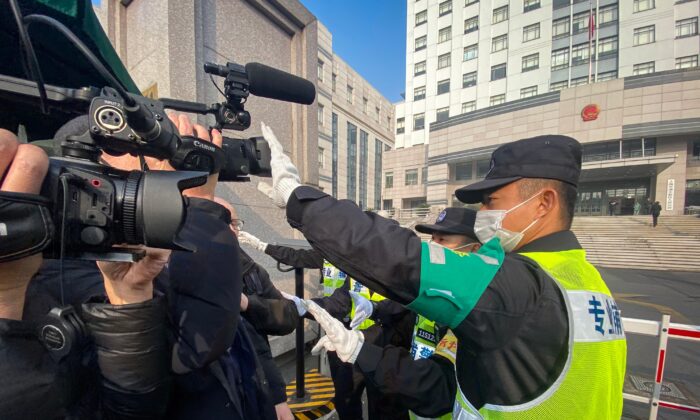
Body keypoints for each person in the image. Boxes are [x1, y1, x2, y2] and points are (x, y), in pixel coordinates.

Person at [257, 125, 627, 419]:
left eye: (492, 200)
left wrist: (300, 199)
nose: (483, 213)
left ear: (544, 203)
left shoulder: (523, 286)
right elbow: (447, 387)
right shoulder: (585, 282)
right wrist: (359, 351)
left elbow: (402, 258)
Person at [0, 128, 172, 418]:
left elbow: (126, 411)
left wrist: (128, 296)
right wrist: (6, 298)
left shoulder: (39, 276)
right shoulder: (53, 275)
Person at [239, 232, 411, 420]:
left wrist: (376, 308)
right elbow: (338, 302)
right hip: (346, 343)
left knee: (386, 408)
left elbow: (405, 311)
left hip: (384, 350)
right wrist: (303, 306)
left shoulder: (404, 278)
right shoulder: (351, 271)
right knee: (346, 401)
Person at [216, 198, 296, 420]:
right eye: (223, 222)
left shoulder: (250, 270)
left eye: (235, 223)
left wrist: (248, 304)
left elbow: (287, 317)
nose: (233, 230)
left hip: (260, 393)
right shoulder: (172, 270)